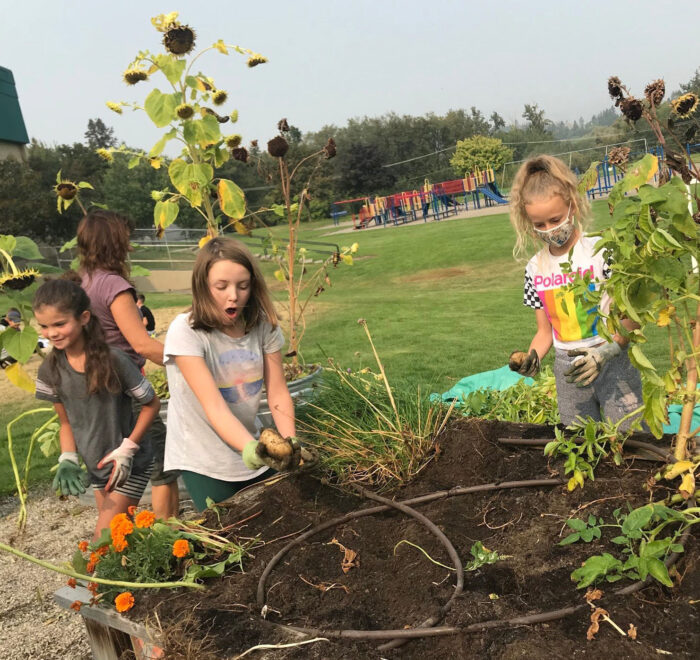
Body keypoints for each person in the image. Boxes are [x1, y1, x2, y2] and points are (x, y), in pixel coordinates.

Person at [162, 237, 310, 511]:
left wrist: (290, 444)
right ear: (203, 285)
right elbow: (214, 406)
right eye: (222, 287)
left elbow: (278, 393)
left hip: (250, 443)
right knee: (226, 528)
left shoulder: (264, 326)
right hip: (203, 456)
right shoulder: (185, 332)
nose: (234, 295)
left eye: (243, 286)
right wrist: (250, 448)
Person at [507, 155, 643, 429]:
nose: (549, 230)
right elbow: (544, 332)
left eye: (555, 219)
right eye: (539, 224)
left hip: (613, 360)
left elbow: (632, 319)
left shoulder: (602, 251)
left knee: (631, 438)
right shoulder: (535, 269)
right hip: (568, 369)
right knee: (578, 441)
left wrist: (607, 351)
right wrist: (532, 357)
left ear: (572, 204)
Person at [33, 279, 160, 539]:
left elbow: (152, 403)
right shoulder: (49, 370)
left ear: (84, 318)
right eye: (44, 326)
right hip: (97, 467)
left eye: (59, 324)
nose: (51, 333)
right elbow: (66, 422)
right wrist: (68, 458)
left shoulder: (114, 360)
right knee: (120, 541)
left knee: (102, 541)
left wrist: (128, 448)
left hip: (129, 464)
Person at [76, 209, 179, 519]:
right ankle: (168, 535)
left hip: (95, 388)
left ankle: (117, 541)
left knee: (109, 469)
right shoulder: (113, 286)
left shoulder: (82, 282)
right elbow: (141, 344)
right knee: (163, 465)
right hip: (126, 387)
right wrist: (188, 362)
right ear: (116, 242)